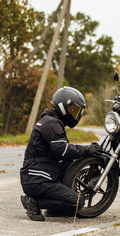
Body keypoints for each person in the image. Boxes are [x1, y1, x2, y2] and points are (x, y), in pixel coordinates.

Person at [20, 87, 103, 221]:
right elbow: (63, 151)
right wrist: (88, 149)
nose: (75, 114)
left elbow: (62, 154)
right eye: (73, 110)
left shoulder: (50, 121)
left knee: (68, 164)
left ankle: (54, 209)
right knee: (78, 202)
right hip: (38, 180)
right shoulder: (52, 124)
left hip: (36, 176)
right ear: (63, 105)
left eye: (77, 112)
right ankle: (34, 203)